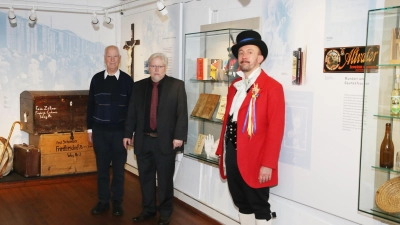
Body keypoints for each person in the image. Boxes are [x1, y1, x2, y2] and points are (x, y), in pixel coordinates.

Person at [215, 30, 285, 225]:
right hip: (233, 153)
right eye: (241, 52)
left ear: (260, 58)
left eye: (250, 52)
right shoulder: (235, 86)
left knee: (259, 204)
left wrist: (268, 164)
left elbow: (276, 129)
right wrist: (223, 150)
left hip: (256, 156)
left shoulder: (272, 87)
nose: (244, 56)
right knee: (241, 202)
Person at [123, 53, 188, 225]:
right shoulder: (138, 87)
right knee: (145, 178)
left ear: (165, 68)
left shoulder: (177, 86)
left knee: (165, 180)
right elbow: (131, 113)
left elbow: (182, 113)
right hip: (144, 141)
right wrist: (127, 134)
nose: (156, 70)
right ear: (148, 67)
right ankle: (148, 210)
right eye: (153, 66)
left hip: (166, 142)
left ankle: (165, 213)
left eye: (160, 66)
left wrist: (179, 137)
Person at [86, 45, 133, 216]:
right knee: (103, 170)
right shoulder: (96, 79)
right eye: (109, 56)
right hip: (100, 133)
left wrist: (129, 133)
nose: (112, 60)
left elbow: (131, 110)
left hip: (120, 134)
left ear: (119, 59)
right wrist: (89, 130)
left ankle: (117, 203)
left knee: (119, 171)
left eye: (115, 56)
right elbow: (90, 105)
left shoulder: (128, 81)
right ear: (104, 58)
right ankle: (103, 201)